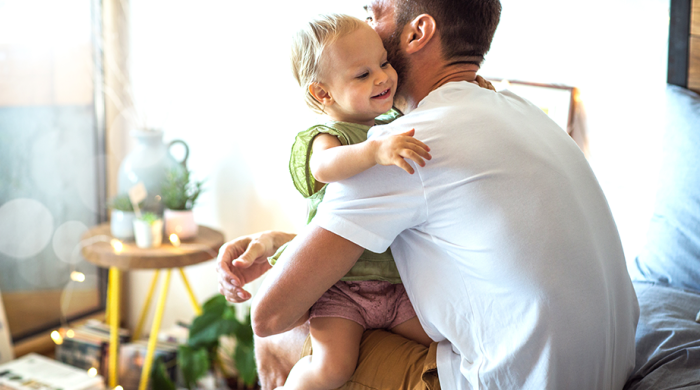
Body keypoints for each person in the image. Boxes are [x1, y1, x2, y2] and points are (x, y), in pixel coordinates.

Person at [217, 0, 640, 389]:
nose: (365, 26)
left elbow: (268, 315)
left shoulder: (402, 146)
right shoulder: (522, 109)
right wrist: (281, 244)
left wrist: (285, 265)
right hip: (611, 368)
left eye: (374, 13)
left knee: (289, 334)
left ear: (417, 33)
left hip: (513, 381)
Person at [268, 13, 433, 390]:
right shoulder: (328, 134)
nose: (382, 77)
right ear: (322, 93)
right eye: (362, 75)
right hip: (342, 289)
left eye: (384, 63)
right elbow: (324, 167)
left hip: (396, 286)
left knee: (444, 342)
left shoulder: (395, 118)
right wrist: (373, 150)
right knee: (332, 368)